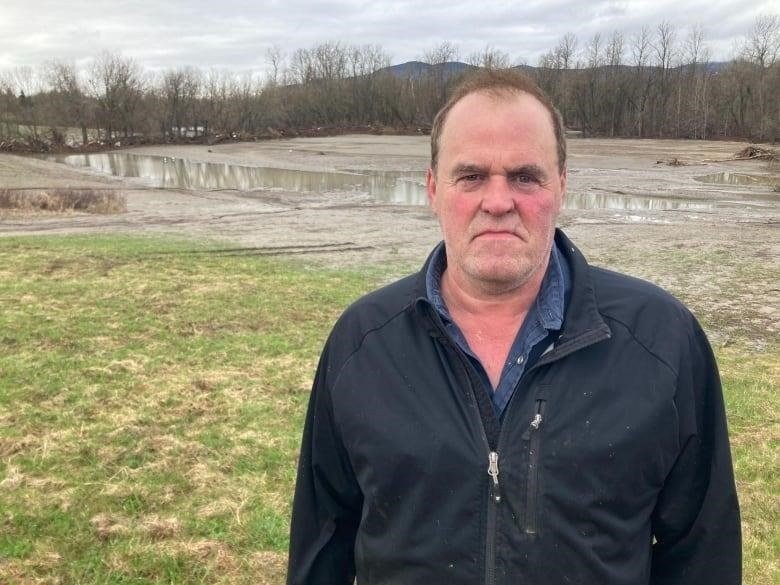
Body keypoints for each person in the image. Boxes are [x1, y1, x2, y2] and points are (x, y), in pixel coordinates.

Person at [287, 69, 741, 585]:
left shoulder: (662, 339)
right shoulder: (362, 343)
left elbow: (703, 551)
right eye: (472, 175)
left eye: (525, 176)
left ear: (562, 187)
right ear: (433, 189)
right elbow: (322, 544)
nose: (498, 201)